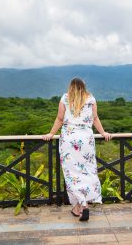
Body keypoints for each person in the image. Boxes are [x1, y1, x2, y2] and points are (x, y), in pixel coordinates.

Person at [42, 78, 112, 221]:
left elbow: (60, 119)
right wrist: (103, 133)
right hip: (86, 140)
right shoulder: (91, 99)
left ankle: (82, 205)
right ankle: (82, 206)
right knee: (87, 171)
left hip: (69, 140)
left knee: (71, 174)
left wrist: (51, 133)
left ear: (71, 87)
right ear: (84, 87)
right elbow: (95, 119)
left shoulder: (65, 98)